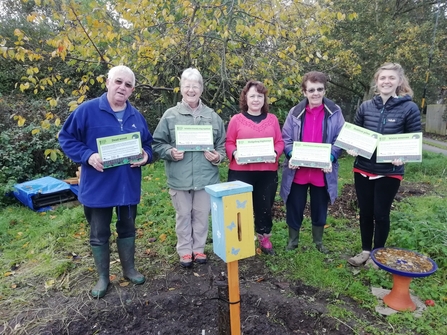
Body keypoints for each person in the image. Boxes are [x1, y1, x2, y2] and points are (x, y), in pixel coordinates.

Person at [59, 65, 153, 298]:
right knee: (99, 232)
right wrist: (88, 156)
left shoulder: (135, 116)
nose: (123, 87)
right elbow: (66, 137)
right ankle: (103, 277)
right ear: (108, 82)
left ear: (132, 90)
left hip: (127, 187)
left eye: (128, 85)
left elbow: (149, 145)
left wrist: (146, 156)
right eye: (118, 82)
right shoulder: (87, 111)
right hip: (98, 187)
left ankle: (129, 269)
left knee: (127, 228)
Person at [347, 62, 421, 268]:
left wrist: (403, 156)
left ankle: (377, 255)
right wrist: (353, 147)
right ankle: (364, 251)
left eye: (391, 78)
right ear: (377, 82)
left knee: (381, 214)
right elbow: (356, 133)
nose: (386, 81)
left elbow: (414, 140)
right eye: (382, 78)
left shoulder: (409, 108)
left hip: (389, 171)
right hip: (362, 169)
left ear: (399, 81)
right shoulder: (366, 106)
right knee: (365, 212)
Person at [152, 68, 226, 268]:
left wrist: (218, 156)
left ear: (201, 89)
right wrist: (169, 152)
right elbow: (157, 143)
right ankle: (185, 250)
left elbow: (222, 145)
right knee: (183, 215)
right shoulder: (170, 116)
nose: (191, 90)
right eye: (187, 86)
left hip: (206, 178)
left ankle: (199, 249)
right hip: (180, 178)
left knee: (202, 214)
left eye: (195, 86)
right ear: (181, 88)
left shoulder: (212, 116)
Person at [279, 71, 344, 253]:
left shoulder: (335, 112)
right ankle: (293, 241)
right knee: (294, 206)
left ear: (325, 90)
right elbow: (285, 138)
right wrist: (291, 154)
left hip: (322, 172)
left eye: (319, 89)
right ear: (304, 92)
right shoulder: (295, 112)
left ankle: (318, 242)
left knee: (319, 207)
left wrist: (331, 157)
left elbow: (340, 138)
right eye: (311, 90)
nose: (316, 93)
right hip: (298, 172)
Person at [225, 80, 284, 255]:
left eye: (260, 96)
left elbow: (279, 142)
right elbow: (229, 142)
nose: (256, 99)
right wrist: (235, 153)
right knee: (238, 208)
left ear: (264, 99)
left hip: (266, 172)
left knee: (264, 205)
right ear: (246, 98)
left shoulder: (272, 120)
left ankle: (264, 237)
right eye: (252, 96)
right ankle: (239, 240)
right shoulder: (236, 120)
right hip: (240, 172)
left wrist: (275, 152)